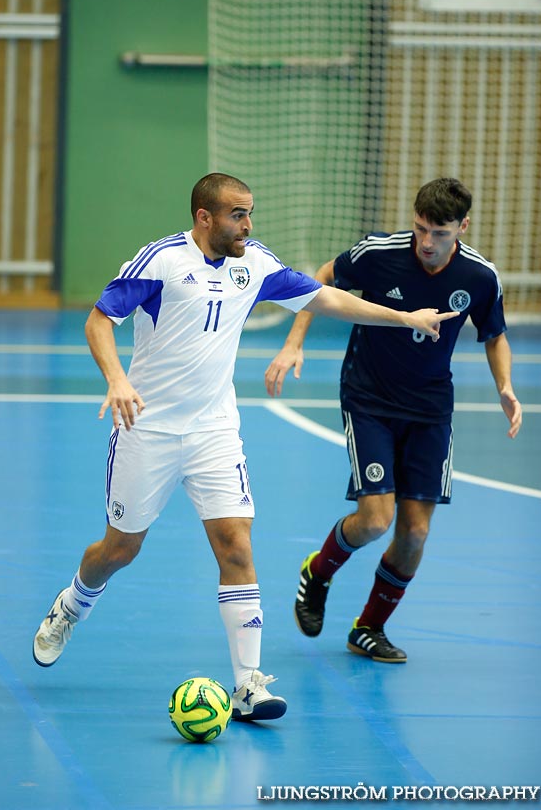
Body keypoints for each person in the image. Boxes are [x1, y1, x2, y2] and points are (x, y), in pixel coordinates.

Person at [32, 173, 458, 718]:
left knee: (235, 544)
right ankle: (73, 603)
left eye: (250, 213)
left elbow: (325, 297)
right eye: (238, 214)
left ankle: (248, 684)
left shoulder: (253, 263)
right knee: (120, 549)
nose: (248, 224)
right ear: (204, 217)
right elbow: (98, 320)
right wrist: (117, 378)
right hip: (149, 428)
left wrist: (402, 317)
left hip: (214, 429)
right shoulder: (161, 262)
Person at [265, 177, 522, 664]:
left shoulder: (479, 276)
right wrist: (294, 341)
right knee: (375, 520)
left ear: (462, 227)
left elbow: (495, 334)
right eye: (421, 228)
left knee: (415, 533)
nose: (427, 242)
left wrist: (503, 386)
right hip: (369, 397)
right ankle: (318, 572)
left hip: (429, 409)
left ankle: (369, 628)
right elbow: (320, 277)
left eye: (440, 233)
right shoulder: (378, 254)